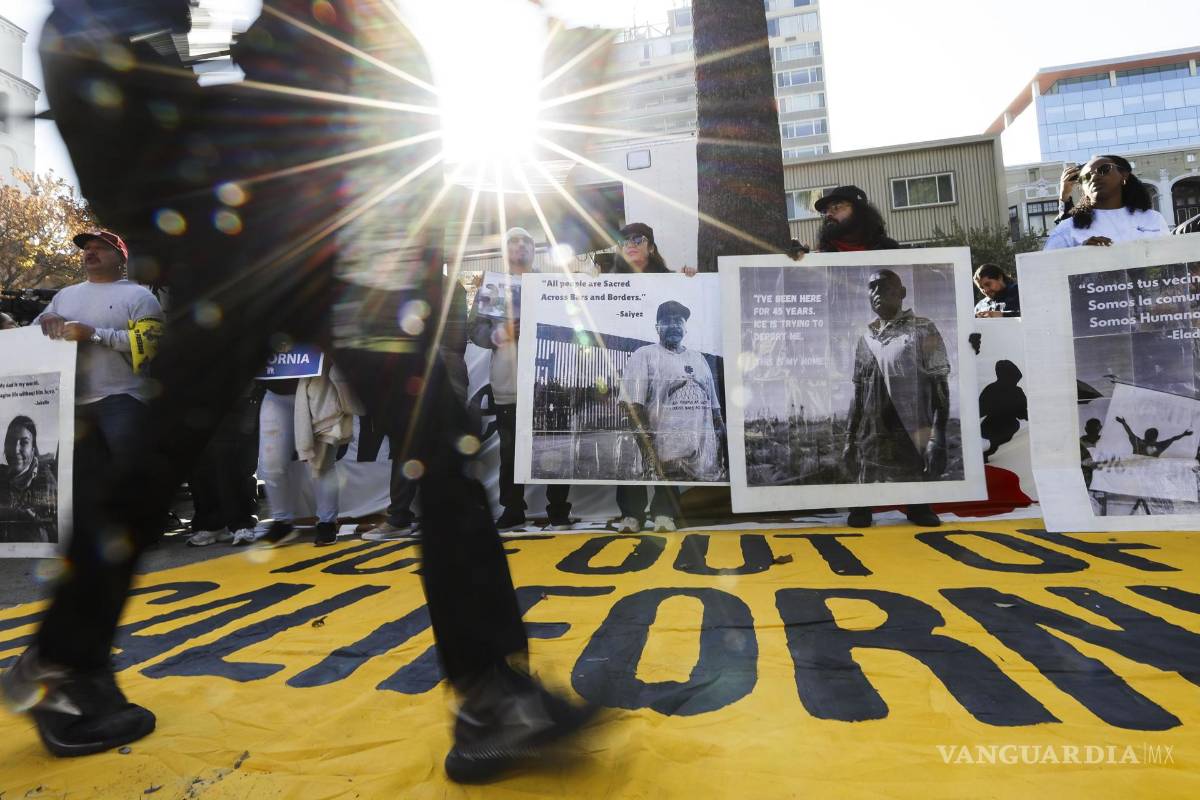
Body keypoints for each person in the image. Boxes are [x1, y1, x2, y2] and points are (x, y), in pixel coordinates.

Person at [3, 1, 593, 782]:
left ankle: (64, 662)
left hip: (268, 205)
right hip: (304, 204)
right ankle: (491, 692)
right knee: (428, 440)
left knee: (169, 447)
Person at [33, 231, 164, 487]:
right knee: (86, 483)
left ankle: (140, 525)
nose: (90, 252)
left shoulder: (140, 297)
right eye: (87, 248)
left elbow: (150, 344)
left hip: (124, 399)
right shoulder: (64, 296)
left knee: (131, 476)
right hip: (72, 405)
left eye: (100, 248)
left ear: (121, 258)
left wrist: (94, 335)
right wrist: (45, 319)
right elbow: (37, 330)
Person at [469, 227, 572, 531]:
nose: (519, 246)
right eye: (512, 241)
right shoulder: (491, 286)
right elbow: (474, 330)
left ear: (533, 249)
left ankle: (558, 510)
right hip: (508, 382)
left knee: (554, 446)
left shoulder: (551, 284)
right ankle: (513, 509)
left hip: (549, 380)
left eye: (526, 241)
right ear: (505, 250)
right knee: (510, 451)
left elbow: (572, 322)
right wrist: (500, 334)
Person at [844, 270, 950, 528]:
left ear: (901, 293)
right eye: (872, 287)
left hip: (911, 430)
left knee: (915, 477)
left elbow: (940, 385)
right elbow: (858, 392)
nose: (877, 292)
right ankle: (862, 508)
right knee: (864, 486)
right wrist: (849, 438)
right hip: (870, 434)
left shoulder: (923, 328)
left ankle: (918, 507)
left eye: (884, 286)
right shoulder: (865, 337)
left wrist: (938, 436)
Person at [620, 300, 727, 485]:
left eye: (679, 320)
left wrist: (725, 453)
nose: (674, 325)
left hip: (704, 465)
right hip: (666, 462)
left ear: (685, 328)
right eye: (667, 320)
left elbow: (715, 412)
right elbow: (632, 408)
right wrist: (651, 457)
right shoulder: (644, 354)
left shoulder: (699, 359)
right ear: (657, 327)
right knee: (666, 509)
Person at [1043, 155, 1170, 249]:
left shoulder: (1153, 219)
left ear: (1124, 175)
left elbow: (1171, 261)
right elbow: (1048, 271)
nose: (1094, 177)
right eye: (1086, 177)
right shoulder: (1066, 229)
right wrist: (1080, 254)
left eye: (1103, 169)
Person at [0, 416, 58, 544]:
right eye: (10, 441)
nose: (15, 450)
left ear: (33, 448)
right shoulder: (3, 474)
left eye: (24, 442)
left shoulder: (47, 487)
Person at [978, 360, 1027, 461]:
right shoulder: (992, 390)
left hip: (1002, 425)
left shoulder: (992, 389)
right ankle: (989, 451)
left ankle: (990, 450)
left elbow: (1022, 411)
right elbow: (980, 410)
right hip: (994, 426)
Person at [1115, 416, 1193, 458]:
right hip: (1149, 472)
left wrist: (1123, 423)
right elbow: (1173, 439)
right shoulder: (1160, 446)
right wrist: (1184, 434)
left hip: (1135, 469)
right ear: (1156, 437)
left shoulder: (1137, 442)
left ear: (1145, 435)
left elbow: (1129, 432)